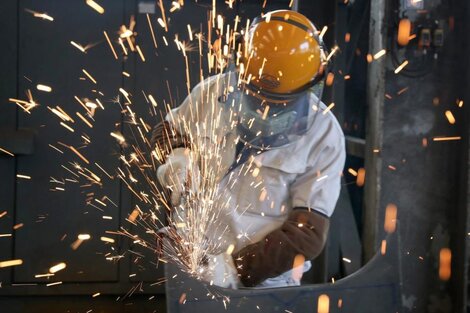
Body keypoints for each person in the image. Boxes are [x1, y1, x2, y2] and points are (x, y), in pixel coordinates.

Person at [152, 9, 345, 289]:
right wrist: (178, 157)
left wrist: (232, 271)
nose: (263, 111)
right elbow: (168, 131)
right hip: (191, 264)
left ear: (309, 87)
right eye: (254, 98)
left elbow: (307, 233)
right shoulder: (211, 93)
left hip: (264, 284)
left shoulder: (324, 135)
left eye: (277, 104)